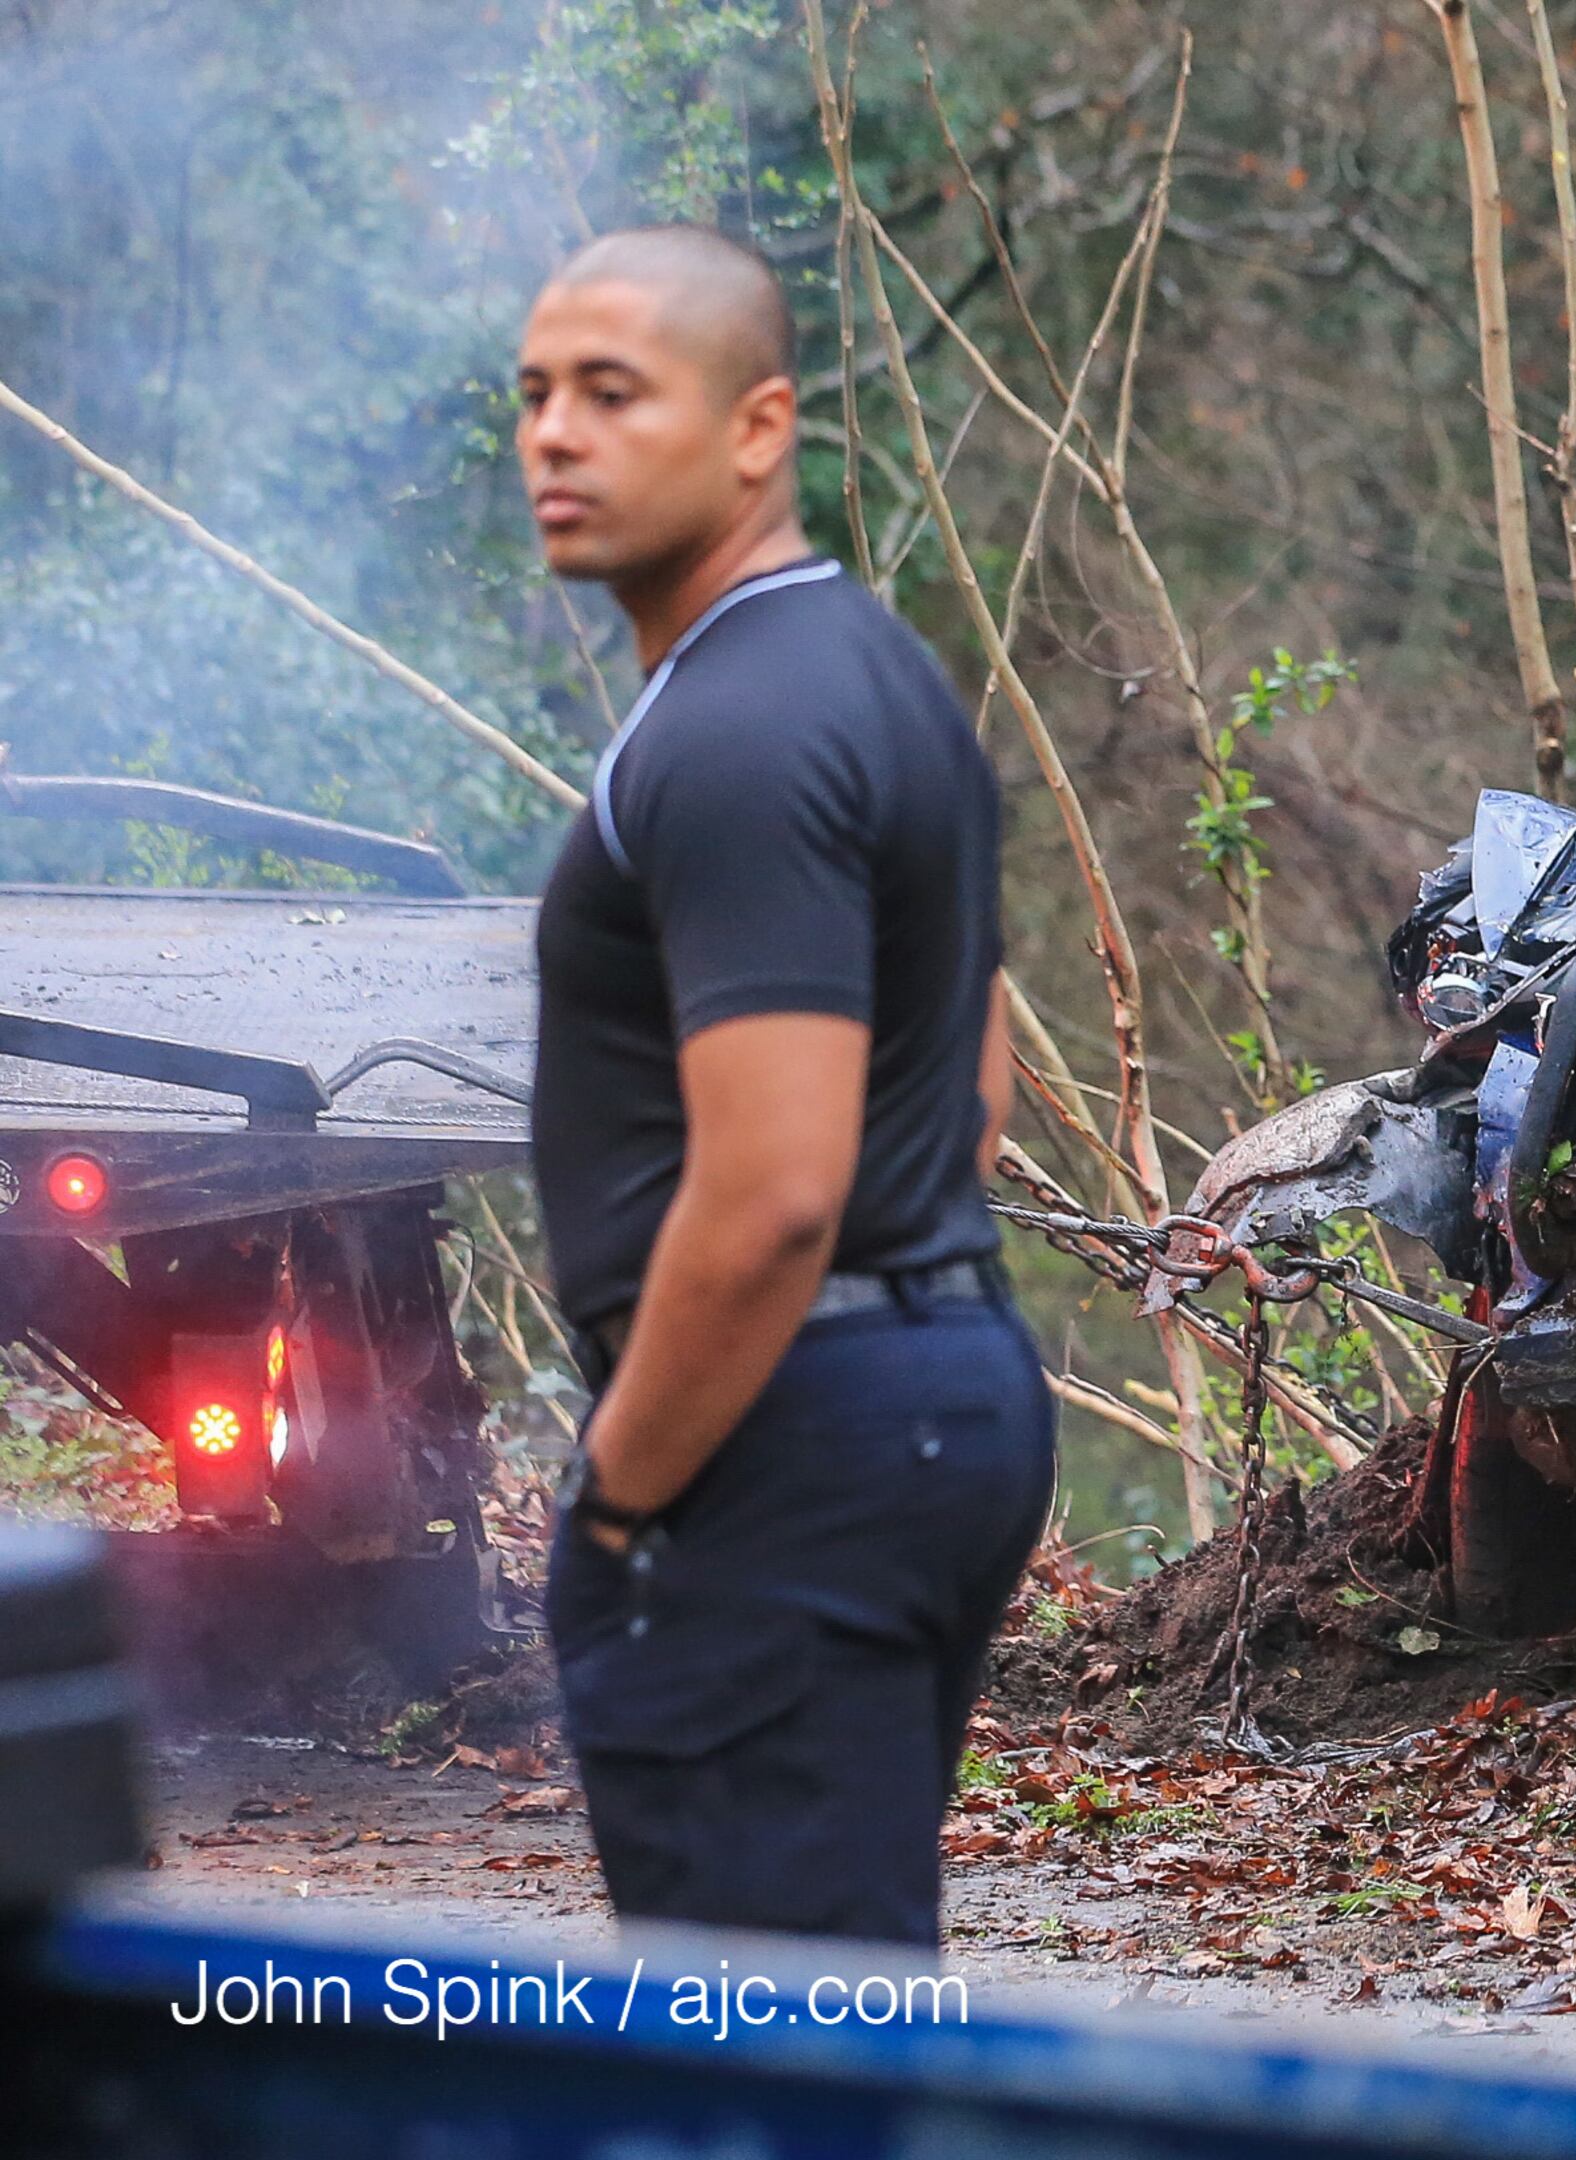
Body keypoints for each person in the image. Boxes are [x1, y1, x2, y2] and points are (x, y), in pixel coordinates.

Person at [515, 224, 1052, 1945]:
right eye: (533, 397)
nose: (555, 437)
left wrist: (617, 1495)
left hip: (786, 1435)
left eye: (613, 393)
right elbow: (977, 1077)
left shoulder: (736, 729)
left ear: (758, 429)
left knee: (762, 2044)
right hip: (924, 1392)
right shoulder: (877, 675)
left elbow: (772, 1196)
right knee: (832, 2000)